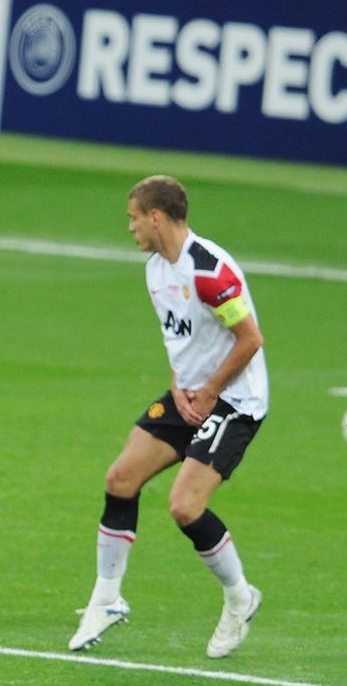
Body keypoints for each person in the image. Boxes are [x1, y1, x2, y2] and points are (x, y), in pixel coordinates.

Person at [69, 176, 267, 659]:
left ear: (156, 216)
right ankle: (107, 597)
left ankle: (240, 597)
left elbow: (250, 339)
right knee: (120, 478)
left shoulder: (210, 272)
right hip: (188, 395)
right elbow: (183, 339)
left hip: (234, 400)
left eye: (133, 217)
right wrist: (180, 385)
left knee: (185, 507)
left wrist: (210, 391)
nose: (131, 227)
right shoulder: (156, 269)